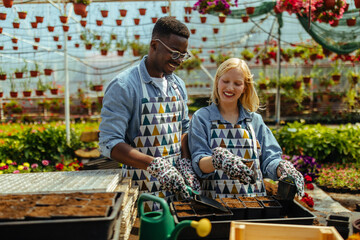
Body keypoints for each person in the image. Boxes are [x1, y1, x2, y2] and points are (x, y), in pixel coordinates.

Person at [99, 17, 200, 211]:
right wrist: (156, 166)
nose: (178, 60)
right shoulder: (125, 86)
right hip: (141, 194)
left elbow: (184, 129)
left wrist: (186, 164)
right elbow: (109, 143)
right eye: (175, 53)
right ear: (154, 45)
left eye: (183, 55)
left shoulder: (178, 85)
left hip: (177, 192)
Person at [188, 58, 304, 199]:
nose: (230, 88)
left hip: (253, 201)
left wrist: (283, 169)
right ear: (217, 80)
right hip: (215, 204)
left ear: (245, 88)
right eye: (225, 81)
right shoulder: (202, 118)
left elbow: (269, 160)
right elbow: (198, 163)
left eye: (237, 83)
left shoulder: (254, 121)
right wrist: (218, 160)